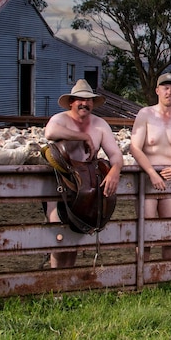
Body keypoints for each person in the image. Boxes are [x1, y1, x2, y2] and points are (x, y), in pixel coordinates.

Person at [44, 79, 124, 268]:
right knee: (59, 236)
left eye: (89, 100)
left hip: (86, 184)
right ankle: (56, 284)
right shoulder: (60, 120)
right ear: (71, 101)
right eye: (80, 99)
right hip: (62, 184)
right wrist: (83, 136)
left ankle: (67, 282)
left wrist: (115, 170)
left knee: (75, 239)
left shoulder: (100, 124)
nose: (84, 103)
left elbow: (115, 153)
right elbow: (50, 133)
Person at [129, 73, 171, 260]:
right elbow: (135, 147)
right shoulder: (145, 114)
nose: (169, 92)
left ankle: (168, 275)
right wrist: (151, 172)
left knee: (169, 230)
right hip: (147, 178)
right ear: (157, 90)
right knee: (146, 229)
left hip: (169, 178)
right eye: (165, 88)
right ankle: (143, 278)